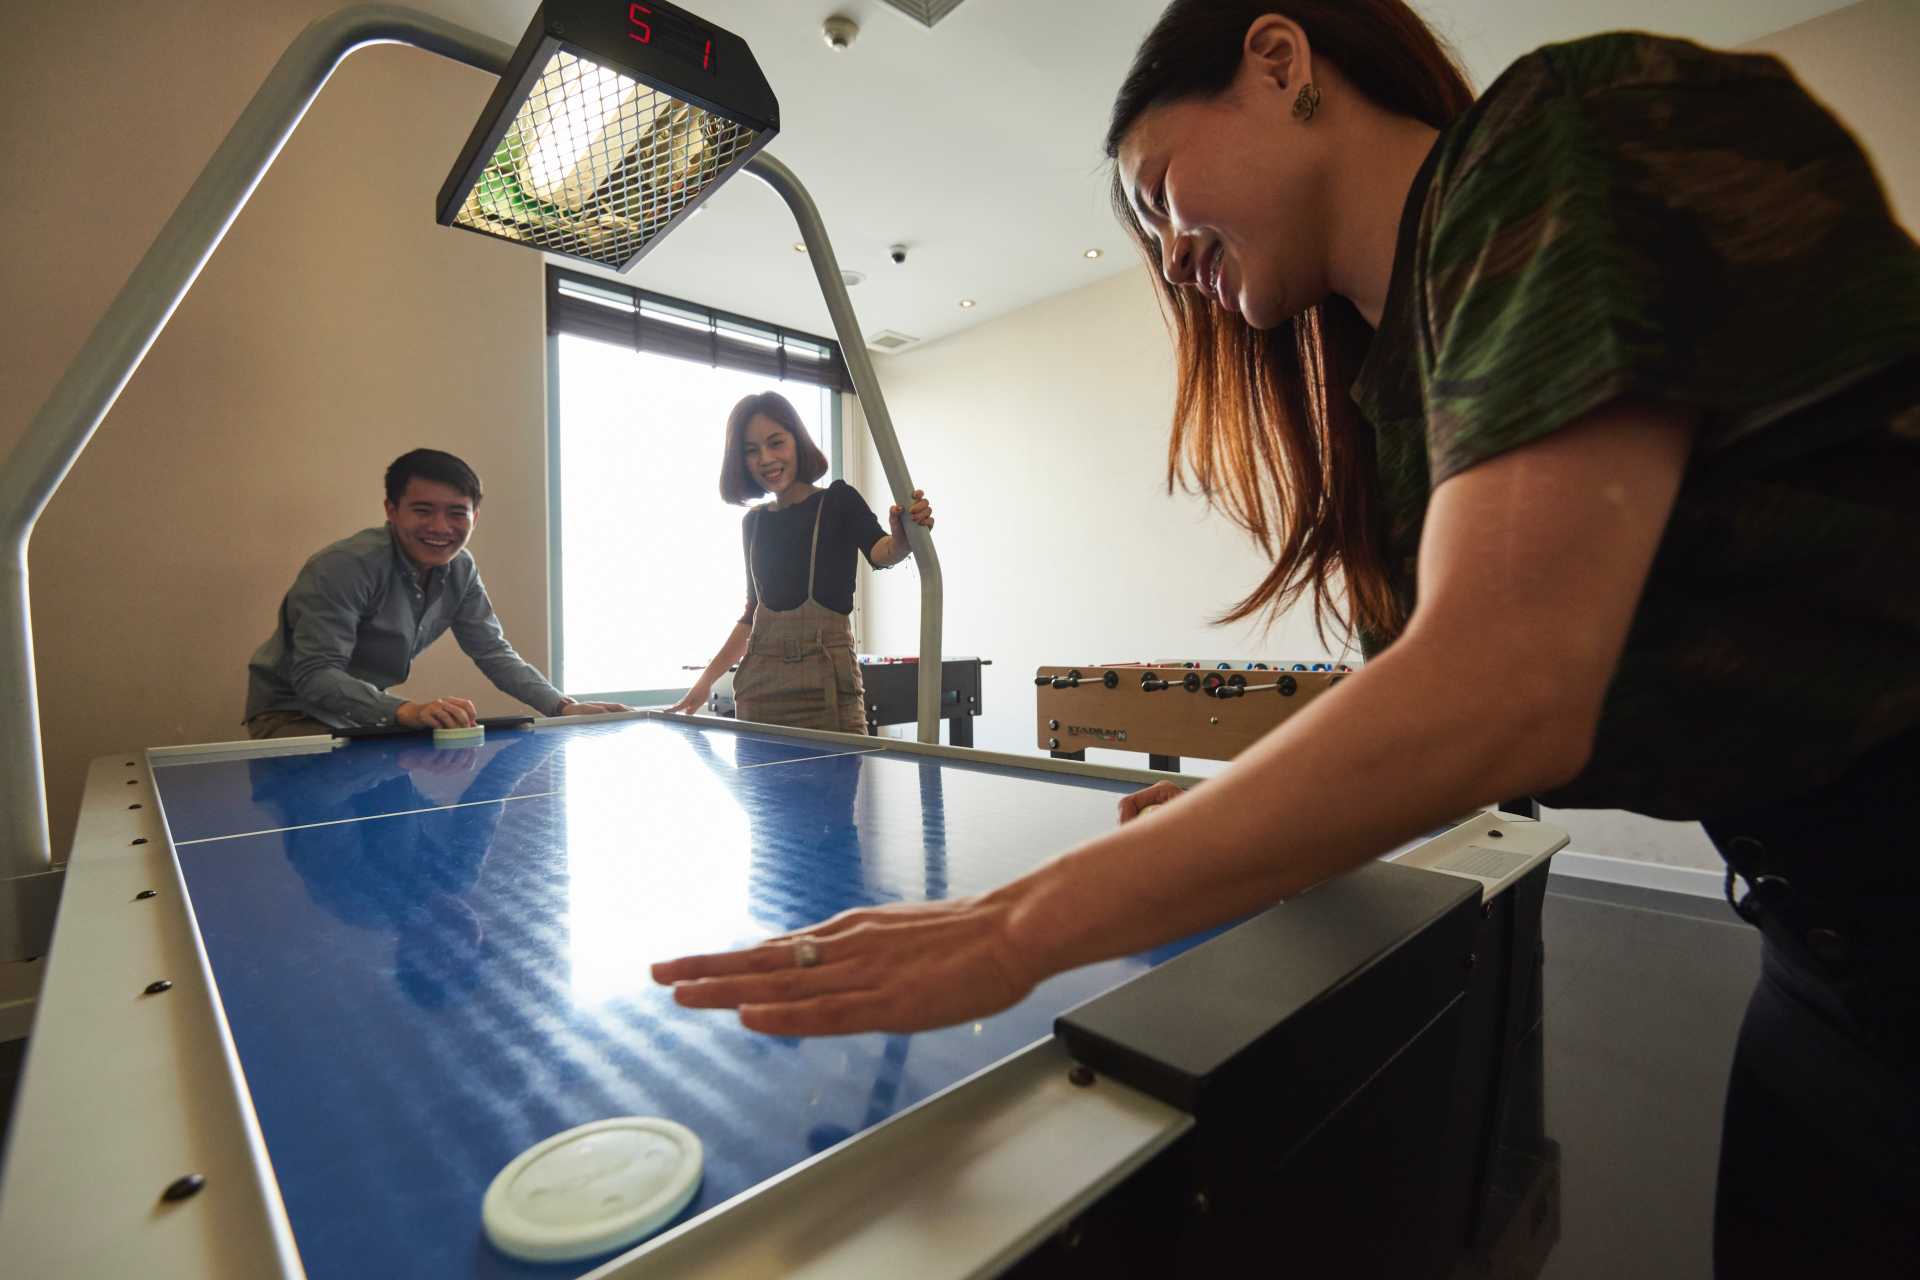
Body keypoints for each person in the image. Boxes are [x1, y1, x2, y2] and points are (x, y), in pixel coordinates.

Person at [651, 4, 1920, 1275]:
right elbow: (1415, 697)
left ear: (1279, 62)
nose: (1170, 254)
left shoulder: (1560, 132)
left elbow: (1500, 686)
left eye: (1161, 191)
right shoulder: (1402, 386)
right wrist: (1241, 812)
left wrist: (1008, 930)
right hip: (1826, 947)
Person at [244, 448, 629, 737]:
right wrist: (407, 711)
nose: (441, 527)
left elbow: (492, 652)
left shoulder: (462, 568)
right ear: (391, 510)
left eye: (457, 513)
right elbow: (316, 675)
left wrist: (561, 707)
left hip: (364, 718)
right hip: (291, 715)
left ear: (475, 517)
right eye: (423, 510)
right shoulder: (344, 566)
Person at [667, 391, 933, 732]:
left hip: (828, 689)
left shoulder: (838, 501)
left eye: (776, 442)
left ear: (797, 441)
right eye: (751, 450)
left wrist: (903, 538)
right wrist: (705, 682)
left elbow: (883, 550)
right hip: (760, 692)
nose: (766, 458)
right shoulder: (754, 523)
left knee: (839, 767)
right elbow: (752, 616)